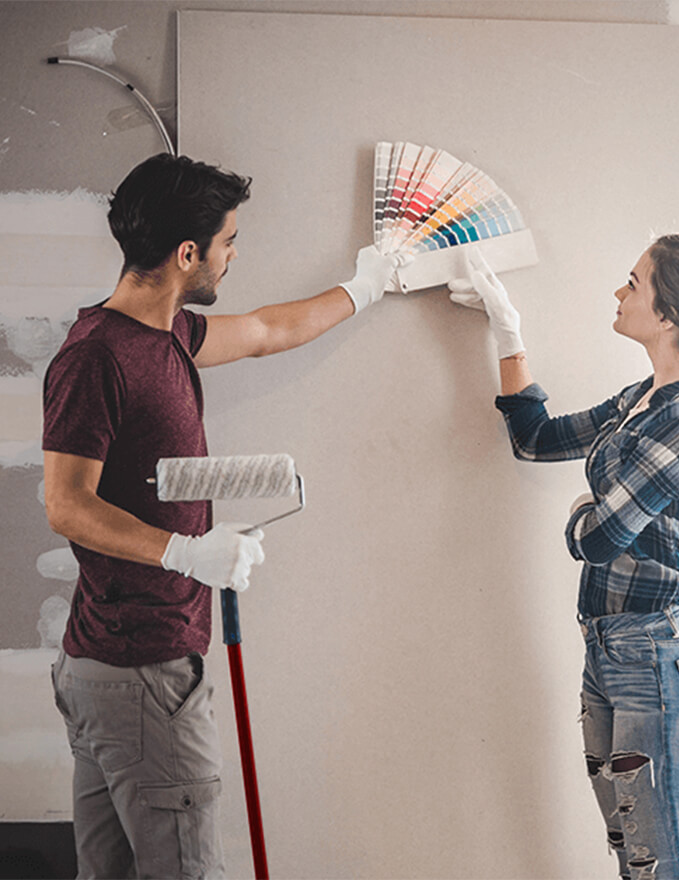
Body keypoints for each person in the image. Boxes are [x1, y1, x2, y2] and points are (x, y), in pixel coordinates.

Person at [42, 152, 405, 879]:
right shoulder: (97, 359)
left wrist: (365, 287)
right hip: (140, 669)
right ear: (187, 253)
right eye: (228, 242)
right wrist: (185, 552)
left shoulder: (169, 335)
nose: (234, 256)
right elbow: (66, 504)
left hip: (113, 666)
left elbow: (271, 329)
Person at [448, 235, 679, 880]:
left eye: (633, 282)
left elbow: (600, 538)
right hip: (610, 650)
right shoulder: (642, 400)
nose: (619, 292)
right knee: (636, 862)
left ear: (667, 314)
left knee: (660, 871)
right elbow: (535, 439)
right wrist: (505, 327)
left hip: (659, 655)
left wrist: (579, 517)